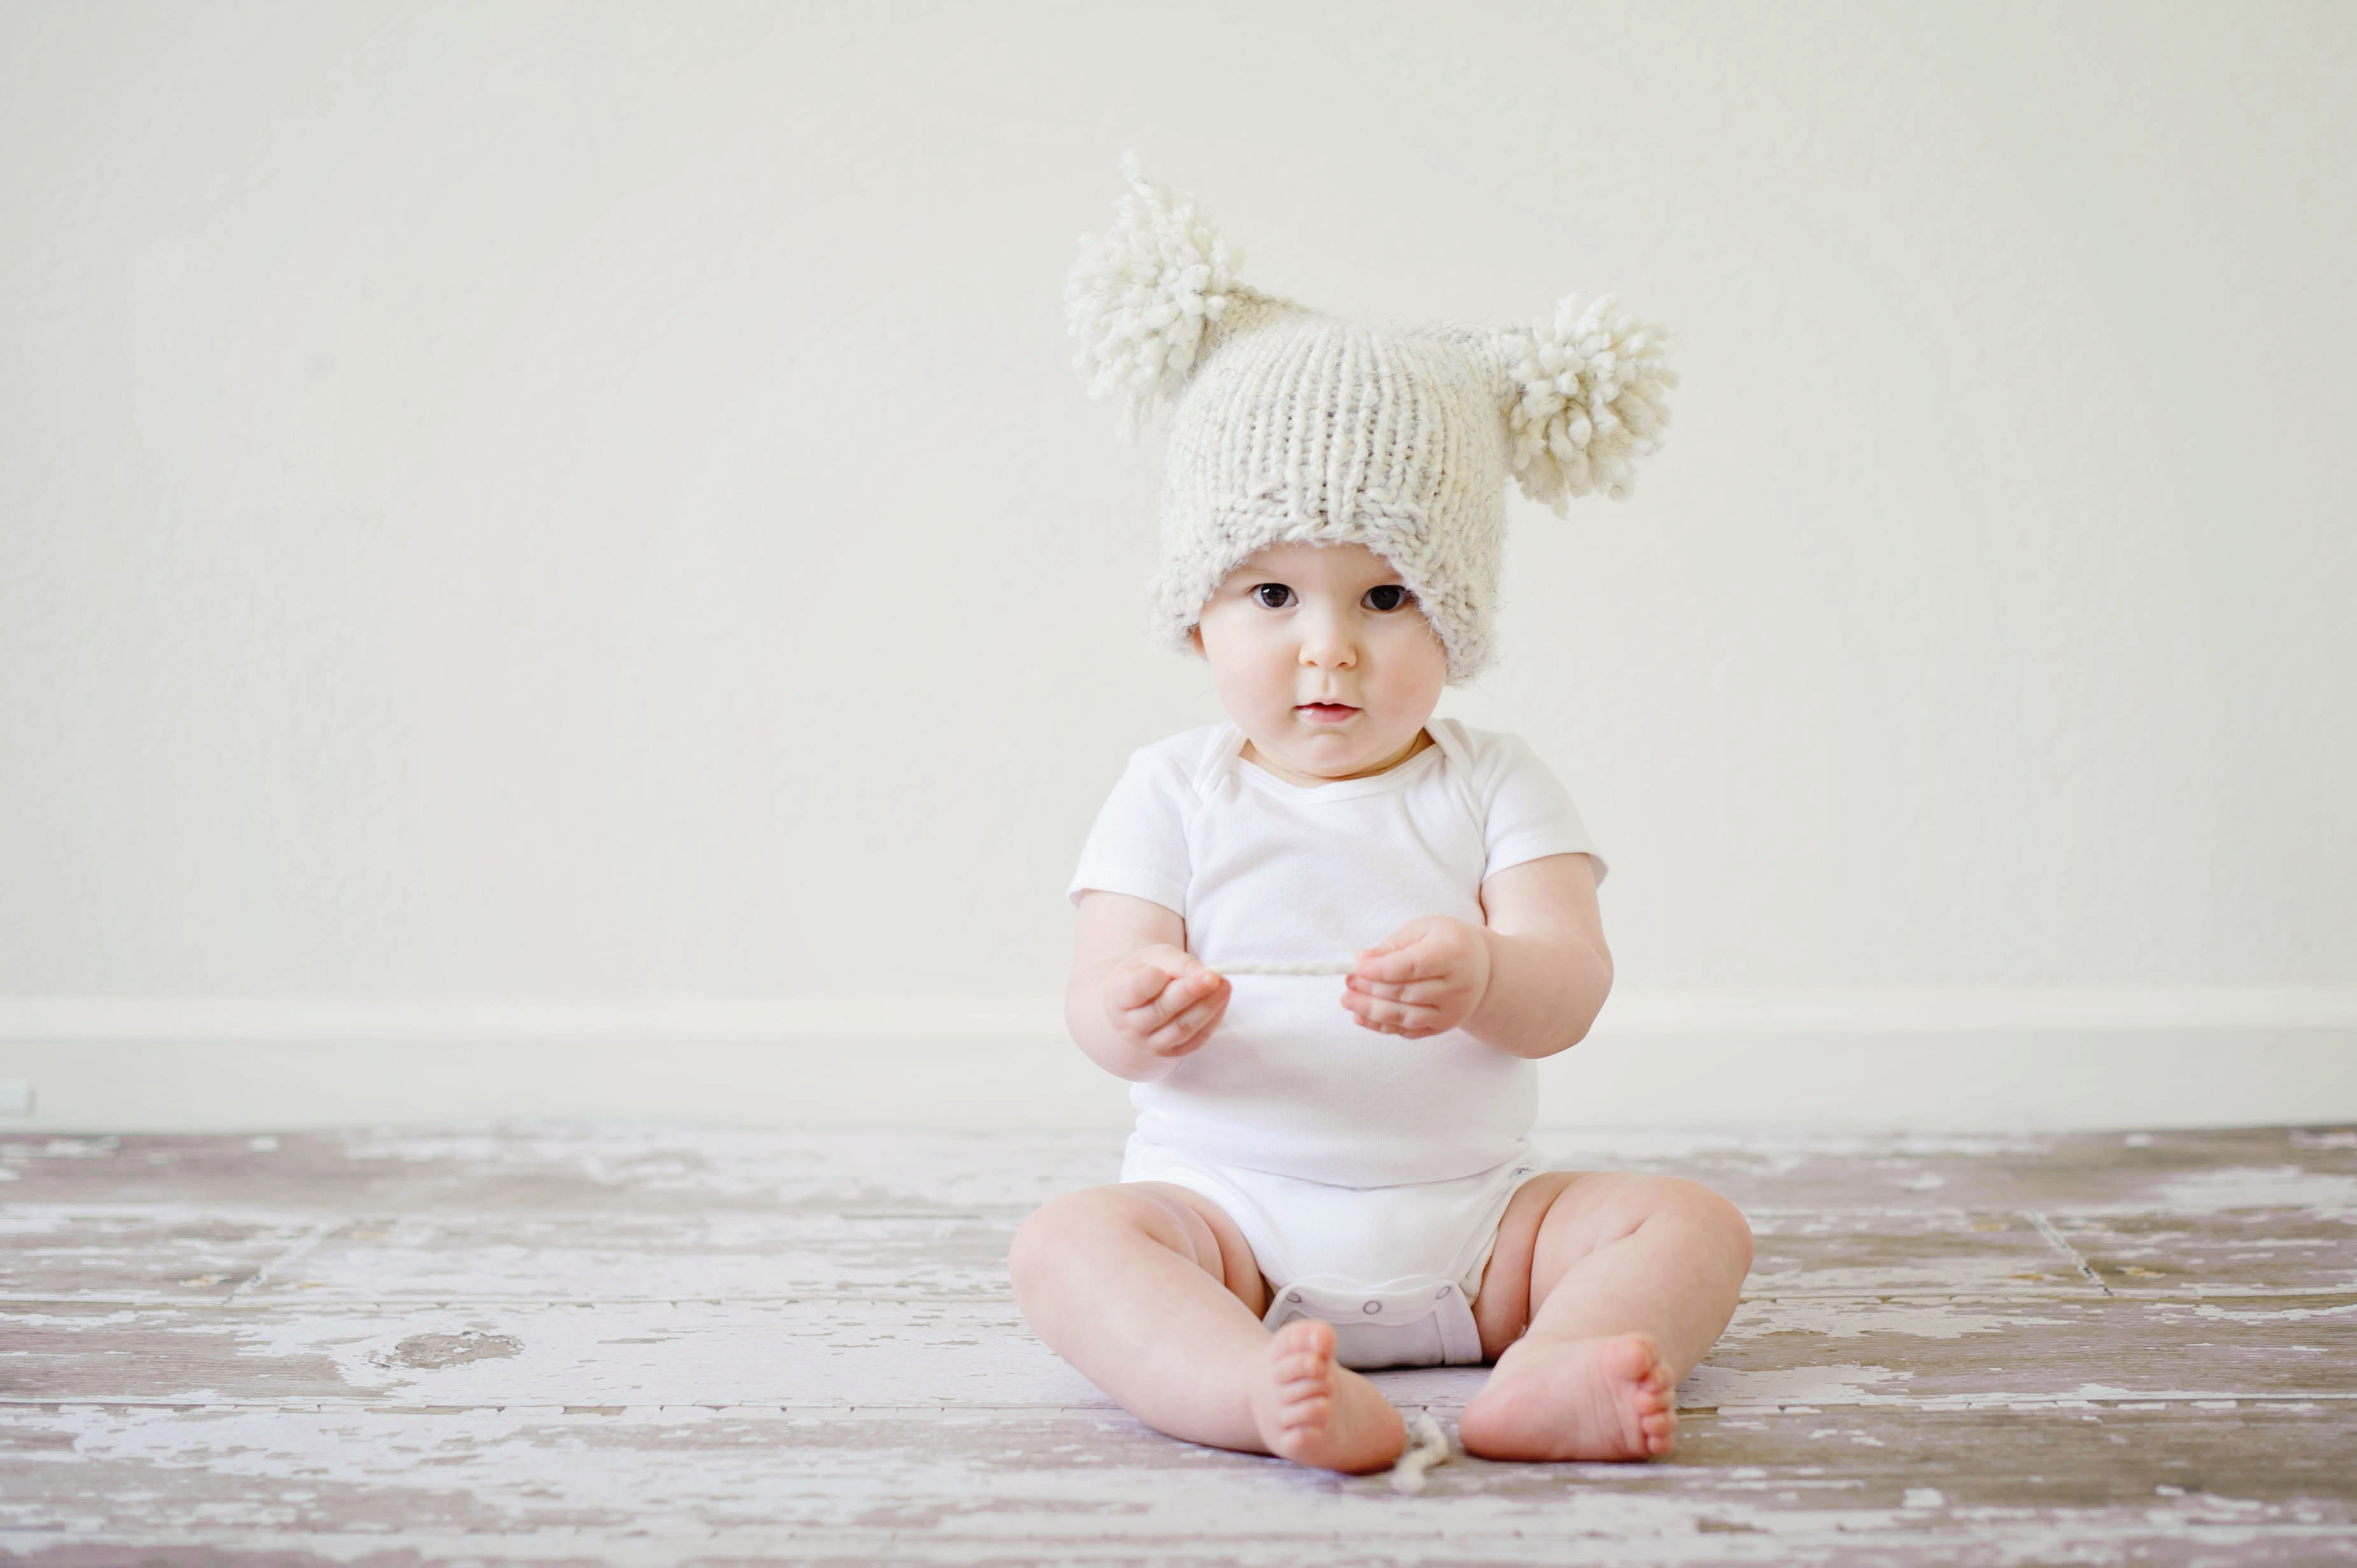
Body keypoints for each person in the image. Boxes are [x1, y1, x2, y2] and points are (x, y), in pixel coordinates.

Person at [1009, 160, 1753, 1476]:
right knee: (1065, 1244)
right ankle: (1252, 1387)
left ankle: (1551, 1368)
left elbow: (1567, 987)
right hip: (1226, 1226)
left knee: (1688, 1221)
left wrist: (1484, 974)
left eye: (1386, 597)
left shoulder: (1494, 783)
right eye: (1274, 595)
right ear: (1196, 614)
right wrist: (1133, 1004)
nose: (1329, 651)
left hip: (1479, 1235)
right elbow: (1092, 991)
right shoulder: (1170, 789)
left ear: (1455, 619)